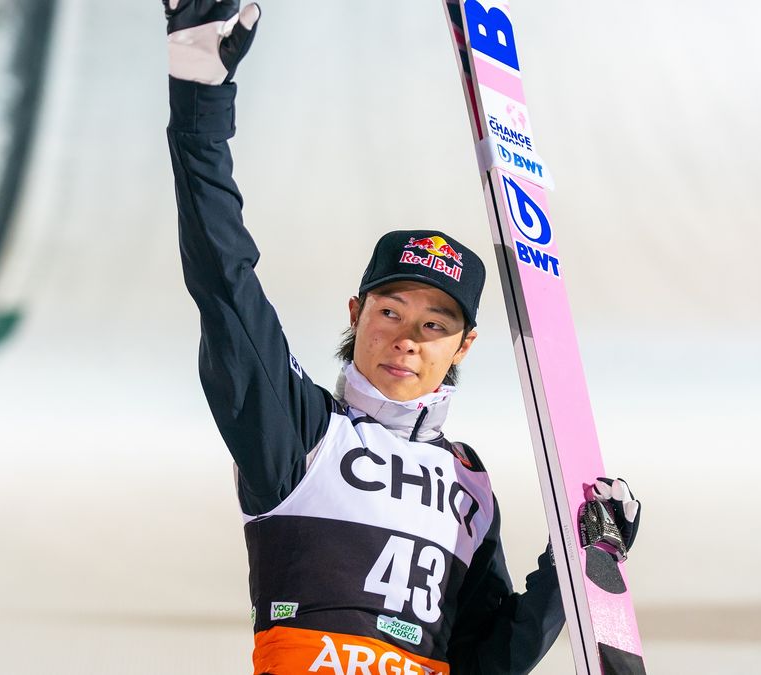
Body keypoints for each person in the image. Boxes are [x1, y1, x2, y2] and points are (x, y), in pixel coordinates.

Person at [162, 2, 640, 673]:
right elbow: (224, 280)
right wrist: (199, 99)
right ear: (356, 313)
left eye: (434, 324)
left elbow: (486, 661)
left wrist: (578, 567)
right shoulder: (300, 432)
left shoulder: (468, 484)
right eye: (390, 311)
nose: (407, 338)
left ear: (463, 346)